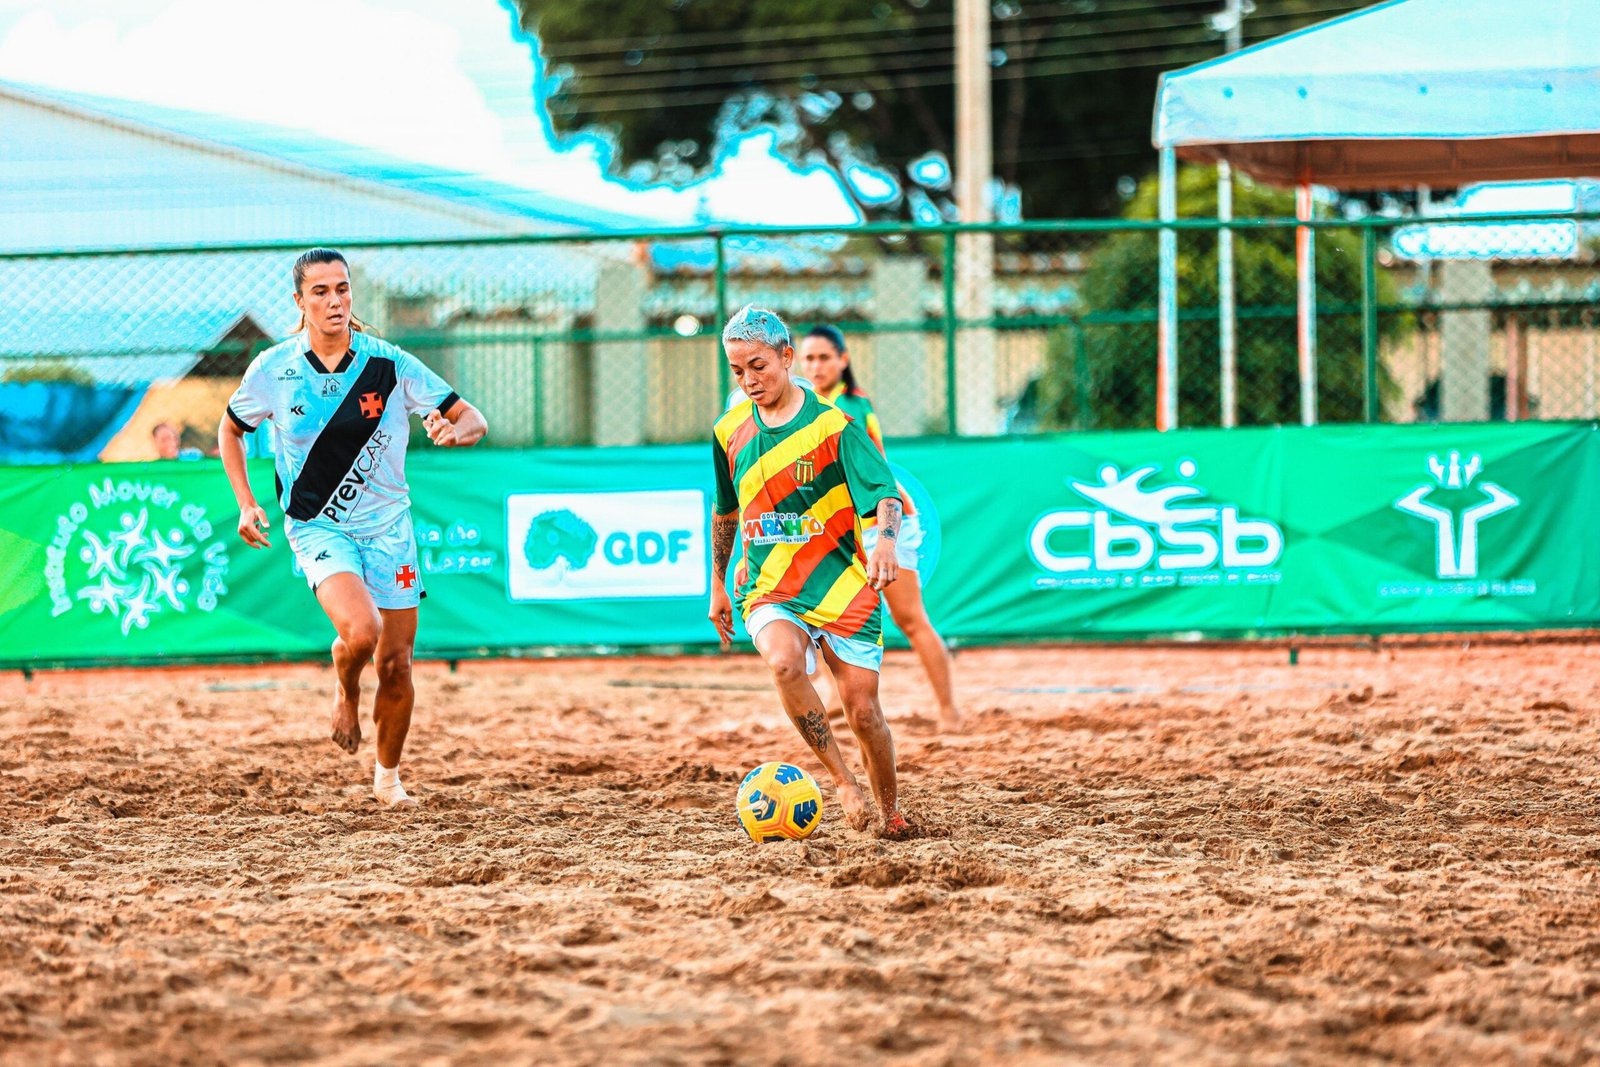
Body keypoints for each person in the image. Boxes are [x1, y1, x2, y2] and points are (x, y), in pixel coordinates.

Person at [217, 247, 487, 809]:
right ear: (299, 302)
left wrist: (455, 431)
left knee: (397, 662)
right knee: (362, 632)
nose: (334, 300)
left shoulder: (389, 364)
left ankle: (388, 781)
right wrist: (245, 503)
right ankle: (344, 689)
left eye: (342, 289)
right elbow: (230, 430)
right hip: (317, 526)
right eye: (320, 291)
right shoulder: (273, 368)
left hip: (390, 527)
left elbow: (472, 417)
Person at [709, 305, 911, 839]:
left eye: (758, 366)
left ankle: (890, 813)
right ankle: (842, 782)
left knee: (864, 712)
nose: (749, 380)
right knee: (782, 663)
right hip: (768, 586)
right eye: (737, 371)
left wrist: (884, 545)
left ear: (787, 357)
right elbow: (725, 512)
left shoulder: (835, 425)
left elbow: (886, 496)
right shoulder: (727, 429)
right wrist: (717, 584)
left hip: (842, 582)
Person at [799, 325, 962, 733]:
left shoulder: (849, 407)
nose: (816, 365)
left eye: (824, 357)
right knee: (817, 610)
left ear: (843, 360)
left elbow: (863, 474)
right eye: (809, 358)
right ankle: (835, 695)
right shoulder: (813, 407)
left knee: (909, 618)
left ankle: (949, 712)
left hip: (884, 523)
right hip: (848, 526)